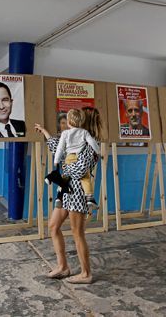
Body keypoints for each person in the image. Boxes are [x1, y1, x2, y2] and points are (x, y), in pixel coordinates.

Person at [34, 107, 102, 284]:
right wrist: (45, 132)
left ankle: (86, 273)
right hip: (65, 190)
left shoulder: (91, 144)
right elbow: (59, 147)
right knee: (53, 226)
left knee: (77, 232)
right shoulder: (72, 138)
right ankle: (63, 267)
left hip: (78, 191)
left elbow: (80, 170)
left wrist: (61, 172)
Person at [52, 109, 100, 212]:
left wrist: (56, 160)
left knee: (65, 177)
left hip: (69, 158)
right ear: (80, 122)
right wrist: (98, 151)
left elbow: (60, 148)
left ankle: (59, 197)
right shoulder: (84, 132)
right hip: (79, 158)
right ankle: (89, 198)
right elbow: (92, 143)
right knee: (85, 177)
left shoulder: (65, 133)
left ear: (68, 122)